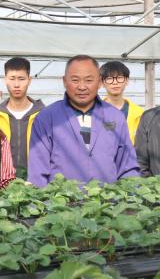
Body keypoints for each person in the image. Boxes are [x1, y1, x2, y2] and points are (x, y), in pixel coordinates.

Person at [28, 55, 140, 187]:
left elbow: (128, 168)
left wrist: (128, 196)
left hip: (107, 199)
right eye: (75, 80)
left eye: (89, 80)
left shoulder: (115, 117)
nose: (82, 87)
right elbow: (38, 172)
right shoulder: (47, 118)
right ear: (64, 81)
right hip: (60, 199)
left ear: (99, 82)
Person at [0, 56, 45, 171]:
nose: (16, 84)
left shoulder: (44, 115)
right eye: (12, 79)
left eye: (21, 79)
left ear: (29, 80)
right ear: (5, 80)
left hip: (36, 179)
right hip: (1, 180)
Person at [99, 60, 144, 143]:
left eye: (119, 78)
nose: (115, 82)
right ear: (102, 83)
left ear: (126, 81)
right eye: (109, 78)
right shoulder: (93, 112)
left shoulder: (140, 114)